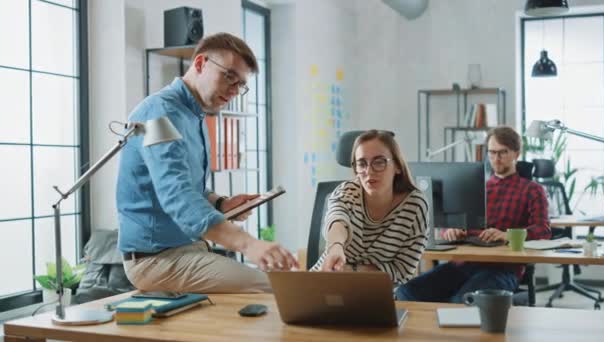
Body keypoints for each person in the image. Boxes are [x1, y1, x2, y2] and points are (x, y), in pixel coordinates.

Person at [117, 32, 297, 294]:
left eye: (241, 85)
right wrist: (250, 245)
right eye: (229, 76)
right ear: (201, 64)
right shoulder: (157, 114)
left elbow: (189, 187)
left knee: (279, 287)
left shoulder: (196, 116)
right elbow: (178, 197)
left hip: (188, 249)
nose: (235, 90)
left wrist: (222, 203)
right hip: (155, 260)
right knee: (273, 288)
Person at [396, 126, 551, 302]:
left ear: (516, 153)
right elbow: (449, 223)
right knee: (406, 292)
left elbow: (543, 231)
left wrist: (506, 235)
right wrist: (451, 231)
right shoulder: (476, 187)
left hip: (502, 268)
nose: (496, 159)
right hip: (463, 264)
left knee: (461, 301)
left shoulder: (532, 190)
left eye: (502, 153)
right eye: (492, 153)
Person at [310, 130, 429, 286]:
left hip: (376, 293)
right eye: (361, 163)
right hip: (326, 281)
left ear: (398, 166)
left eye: (379, 162)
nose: (369, 171)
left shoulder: (415, 206)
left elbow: (402, 271)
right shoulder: (347, 191)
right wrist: (336, 246)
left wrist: (351, 271)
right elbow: (337, 219)